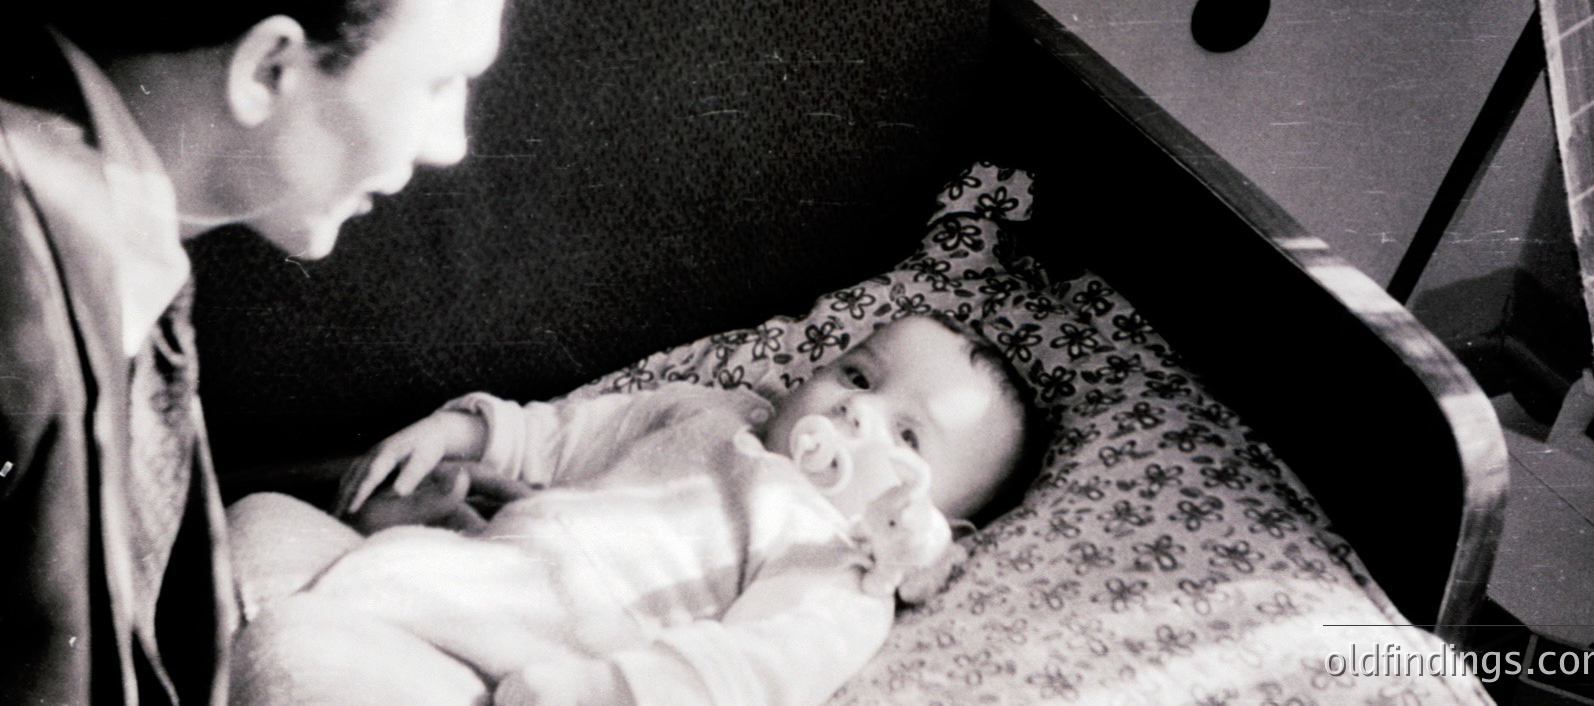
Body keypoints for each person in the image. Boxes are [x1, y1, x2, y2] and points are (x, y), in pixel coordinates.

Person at [0, 0, 530, 706]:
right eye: (434, 83)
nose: (452, 144)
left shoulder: (107, 226)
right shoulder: (9, 285)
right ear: (268, 68)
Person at [227, 313, 1048, 706]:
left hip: (517, 667)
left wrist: (583, 694)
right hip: (471, 573)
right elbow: (563, 433)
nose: (854, 415)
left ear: (935, 522)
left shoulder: (832, 561)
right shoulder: (711, 410)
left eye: (906, 434)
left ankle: (263, 649)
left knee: (292, 646)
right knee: (260, 515)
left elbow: (745, 672)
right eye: (858, 377)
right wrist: (457, 430)